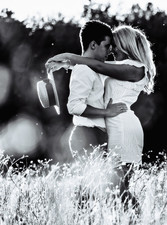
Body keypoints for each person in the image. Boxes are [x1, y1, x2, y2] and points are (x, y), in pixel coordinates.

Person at [46, 25, 156, 205]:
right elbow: (92, 65)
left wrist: (69, 56)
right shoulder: (120, 66)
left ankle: (142, 224)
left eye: (114, 45)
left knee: (118, 189)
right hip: (111, 126)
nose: (111, 49)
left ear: (124, 46)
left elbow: (96, 65)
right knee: (107, 187)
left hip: (122, 126)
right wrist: (65, 63)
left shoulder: (136, 68)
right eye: (110, 45)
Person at [47, 20, 144, 158]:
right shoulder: (84, 70)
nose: (110, 51)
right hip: (87, 134)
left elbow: (100, 67)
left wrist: (66, 63)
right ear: (93, 44)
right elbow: (74, 106)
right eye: (107, 46)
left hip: (94, 134)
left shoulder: (94, 68)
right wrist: (107, 112)